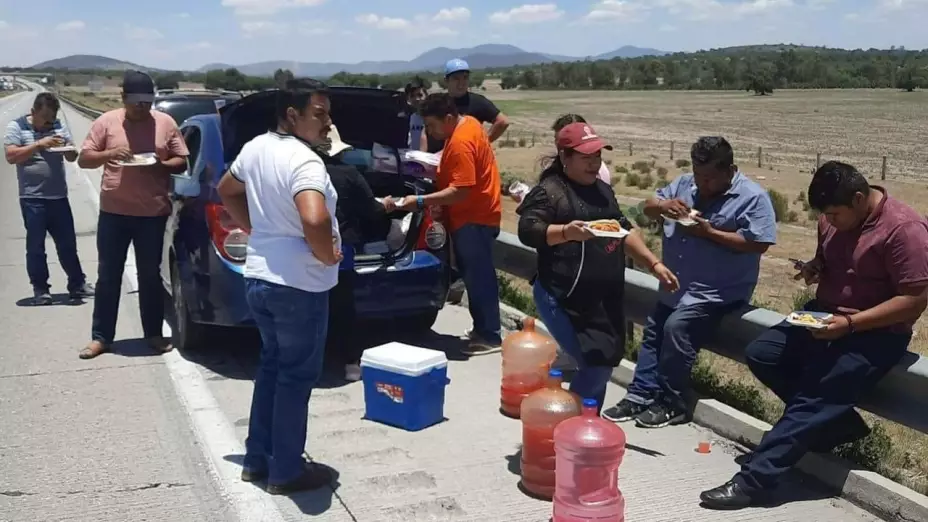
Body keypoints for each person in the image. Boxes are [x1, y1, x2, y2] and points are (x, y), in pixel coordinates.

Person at [700, 161, 928, 510]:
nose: (829, 222)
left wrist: (851, 325)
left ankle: (755, 481)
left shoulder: (905, 230)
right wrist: (815, 267)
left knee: (813, 397)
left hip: (875, 333)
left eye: (835, 215)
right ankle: (837, 424)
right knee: (764, 353)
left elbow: (914, 300)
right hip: (824, 314)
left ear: (858, 199)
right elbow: (832, 259)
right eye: (825, 216)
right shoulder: (830, 218)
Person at [216, 78, 340, 494]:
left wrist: (255, 229)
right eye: (319, 114)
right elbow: (315, 218)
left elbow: (226, 189)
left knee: (271, 369)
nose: (327, 123)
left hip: (261, 279)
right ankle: (286, 470)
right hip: (298, 286)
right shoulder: (306, 162)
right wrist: (325, 254)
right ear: (292, 115)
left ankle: (257, 459)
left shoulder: (255, 148)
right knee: (295, 377)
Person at [601, 137, 777, 428]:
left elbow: (758, 243)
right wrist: (663, 207)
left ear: (730, 169)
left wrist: (708, 232)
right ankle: (640, 394)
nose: (703, 183)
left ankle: (672, 402)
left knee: (676, 329)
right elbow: (648, 206)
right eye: (698, 175)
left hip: (716, 293)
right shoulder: (684, 185)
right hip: (677, 286)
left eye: (709, 178)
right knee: (655, 330)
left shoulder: (752, 197)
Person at [517, 122, 678, 408]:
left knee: (603, 362)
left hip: (602, 299)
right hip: (563, 297)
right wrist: (567, 232)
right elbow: (528, 231)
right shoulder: (551, 191)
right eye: (586, 157)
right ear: (565, 157)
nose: (594, 164)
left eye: (597, 157)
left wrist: (654, 264)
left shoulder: (603, 190)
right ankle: (566, 431)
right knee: (595, 365)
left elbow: (623, 228)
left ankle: (586, 430)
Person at [77, 71, 188, 359]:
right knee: (108, 276)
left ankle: (153, 333)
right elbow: (84, 158)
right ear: (123, 98)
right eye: (136, 102)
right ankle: (101, 338)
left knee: (150, 277)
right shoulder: (106, 122)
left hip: (152, 214)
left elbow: (181, 160)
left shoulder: (165, 123)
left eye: (147, 102)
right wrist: (109, 154)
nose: (142, 107)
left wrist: (161, 164)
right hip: (114, 213)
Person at [385, 93, 503, 355]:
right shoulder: (470, 123)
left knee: (478, 277)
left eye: (431, 125)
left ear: (448, 118)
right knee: (477, 275)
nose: (429, 131)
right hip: (478, 215)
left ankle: (490, 335)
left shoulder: (461, 141)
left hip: (474, 218)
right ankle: (484, 327)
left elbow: (460, 191)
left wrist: (419, 201)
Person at [315, 125, 389, 382]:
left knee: (311, 305)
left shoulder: (301, 172)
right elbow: (372, 210)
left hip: (307, 248)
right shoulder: (349, 174)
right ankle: (350, 362)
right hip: (341, 248)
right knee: (344, 306)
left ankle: (312, 360)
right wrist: (388, 204)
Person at [4, 92, 94, 304]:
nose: (48, 123)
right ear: (33, 112)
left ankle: (77, 284)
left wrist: (67, 148)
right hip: (32, 198)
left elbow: (72, 156)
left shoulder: (58, 127)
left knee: (67, 245)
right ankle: (41, 289)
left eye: (51, 119)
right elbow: (11, 156)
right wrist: (39, 144)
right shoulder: (16, 127)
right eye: (44, 118)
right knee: (36, 247)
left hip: (58, 197)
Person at [510, 114, 612, 203]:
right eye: (557, 139)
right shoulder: (554, 168)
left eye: (565, 140)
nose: (558, 145)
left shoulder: (595, 171)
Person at [425, 59, 509, 153]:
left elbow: (502, 121)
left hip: (465, 158)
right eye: (456, 78)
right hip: (436, 158)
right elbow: (426, 130)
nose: (461, 82)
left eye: (465, 77)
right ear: (446, 81)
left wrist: (481, 144)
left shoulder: (478, 101)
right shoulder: (439, 102)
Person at [405, 76, 428, 151]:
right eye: (412, 96)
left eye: (420, 95)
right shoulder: (410, 118)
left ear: (426, 95)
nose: (416, 99)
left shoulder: (433, 117)